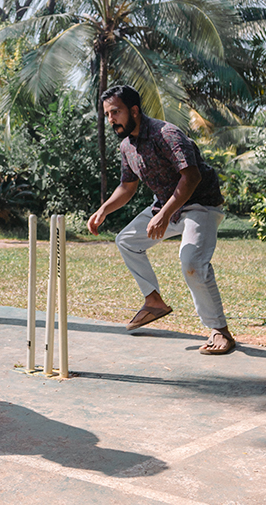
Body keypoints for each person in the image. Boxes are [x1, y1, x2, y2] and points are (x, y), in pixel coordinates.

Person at [86, 85, 236, 355]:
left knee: (191, 262)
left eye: (116, 112)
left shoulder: (166, 134)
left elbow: (191, 177)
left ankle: (219, 331)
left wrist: (165, 215)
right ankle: (153, 301)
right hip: (166, 207)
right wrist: (103, 210)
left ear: (134, 110)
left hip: (200, 204)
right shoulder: (126, 147)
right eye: (107, 114)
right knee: (127, 241)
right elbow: (127, 187)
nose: (111, 120)